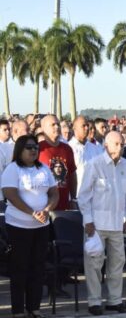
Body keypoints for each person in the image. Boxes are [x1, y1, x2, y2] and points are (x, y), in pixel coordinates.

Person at [1, 135, 59, 318]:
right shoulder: (13, 169)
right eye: (29, 147)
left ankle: (34, 307)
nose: (33, 150)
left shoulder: (43, 169)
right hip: (18, 226)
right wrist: (31, 212)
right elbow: (10, 194)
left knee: (37, 267)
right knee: (20, 268)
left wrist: (47, 209)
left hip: (41, 226)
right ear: (20, 150)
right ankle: (18, 310)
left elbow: (54, 193)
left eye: (35, 147)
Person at [79, 132, 126, 315]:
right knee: (94, 264)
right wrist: (88, 220)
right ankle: (94, 302)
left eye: (122, 144)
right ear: (106, 145)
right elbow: (84, 195)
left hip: (117, 224)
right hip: (96, 225)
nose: (120, 148)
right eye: (116, 144)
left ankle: (114, 301)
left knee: (118, 262)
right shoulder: (95, 164)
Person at [38, 115, 77, 211]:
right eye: (53, 125)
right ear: (43, 129)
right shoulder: (38, 148)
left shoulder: (67, 148)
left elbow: (72, 174)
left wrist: (73, 198)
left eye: (58, 124)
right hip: (43, 206)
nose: (57, 127)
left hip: (64, 204)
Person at [69, 116, 104, 195]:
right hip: (78, 195)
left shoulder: (95, 148)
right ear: (75, 128)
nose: (87, 128)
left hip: (94, 195)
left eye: (87, 126)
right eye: (83, 126)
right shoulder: (69, 148)